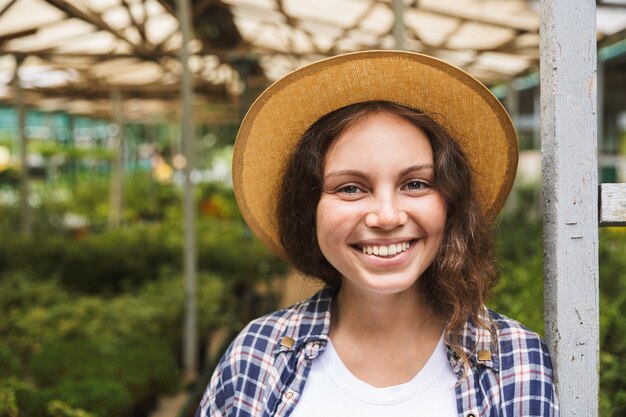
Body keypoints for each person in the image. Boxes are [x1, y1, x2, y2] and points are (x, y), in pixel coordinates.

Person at [196, 51, 558, 417]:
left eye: (415, 184)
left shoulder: (515, 360)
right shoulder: (256, 355)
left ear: (451, 202)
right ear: (310, 209)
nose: (386, 216)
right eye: (351, 188)